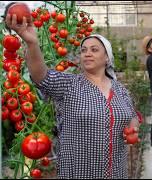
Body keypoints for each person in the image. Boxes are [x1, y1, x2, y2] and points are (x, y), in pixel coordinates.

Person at [6, 12, 140, 179]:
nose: (87, 53)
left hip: (116, 173)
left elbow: (132, 116)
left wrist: (133, 128)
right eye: (83, 50)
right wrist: (32, 43)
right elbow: (42, 77)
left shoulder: (120, 90)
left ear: (107, 57)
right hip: (78, 173)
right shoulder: (69, 84)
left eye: (94, 49)